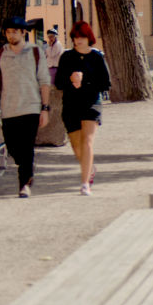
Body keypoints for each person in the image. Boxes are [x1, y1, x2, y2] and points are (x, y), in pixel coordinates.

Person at [0, 16, 51, 198]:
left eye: (14, 31)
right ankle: (27, 168)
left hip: (31, 107)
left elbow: (44, 81)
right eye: (8, 32)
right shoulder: (0, 54)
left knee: (27, 146)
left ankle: (24, 184)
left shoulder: (35, 52)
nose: (11, 35)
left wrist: (45, 108)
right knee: (14, 148)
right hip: (8, 109)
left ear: (24, 32)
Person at [53, 22, 110, 195]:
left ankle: (85, 183)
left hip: (91, 103)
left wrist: (84, 82)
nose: (78, 41)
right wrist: (71, 80)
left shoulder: (97, 57)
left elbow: (105, 83)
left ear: (88, 38)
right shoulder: (66, 57)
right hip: (71, 104)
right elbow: (58, 83)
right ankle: (89, 167)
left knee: (87, 141)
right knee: (76, 145)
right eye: (75, 38)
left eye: (81, 37)